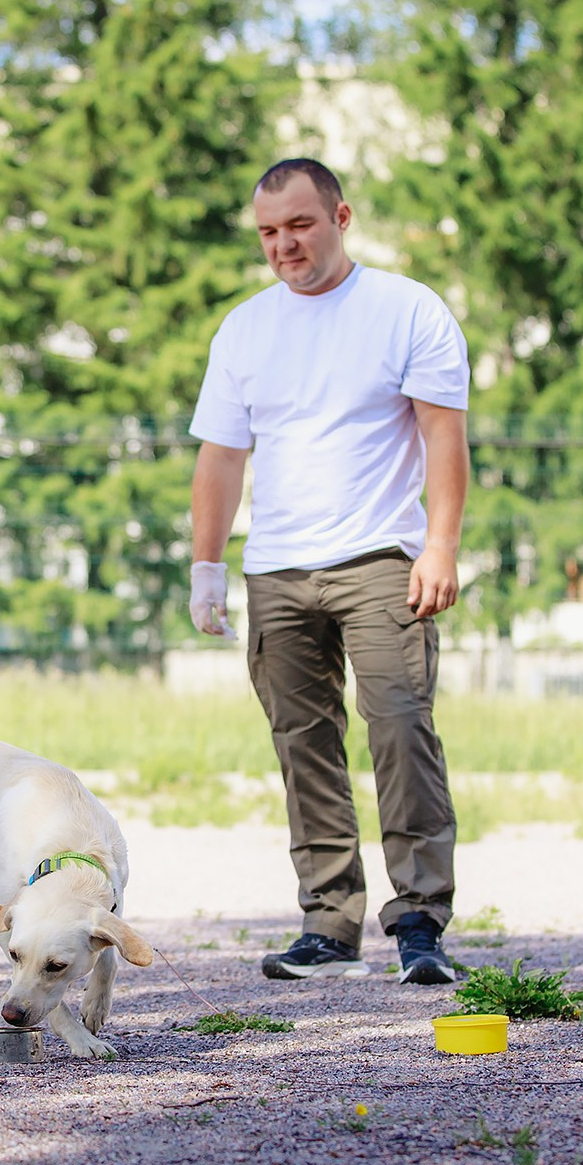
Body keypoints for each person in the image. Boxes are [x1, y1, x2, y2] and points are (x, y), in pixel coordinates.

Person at [187, 157, 469, 986]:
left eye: (300, 225)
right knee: (303, 744)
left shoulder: (406, 309)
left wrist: (442, 545)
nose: (284, 244)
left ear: (341, 216)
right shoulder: (244, 328)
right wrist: (208, 565)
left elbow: (443, 435)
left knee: (400, 729)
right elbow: (220, 455)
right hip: (277, 569)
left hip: (382, 557)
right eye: (269, 232)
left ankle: (419, 920)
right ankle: (329, 923)